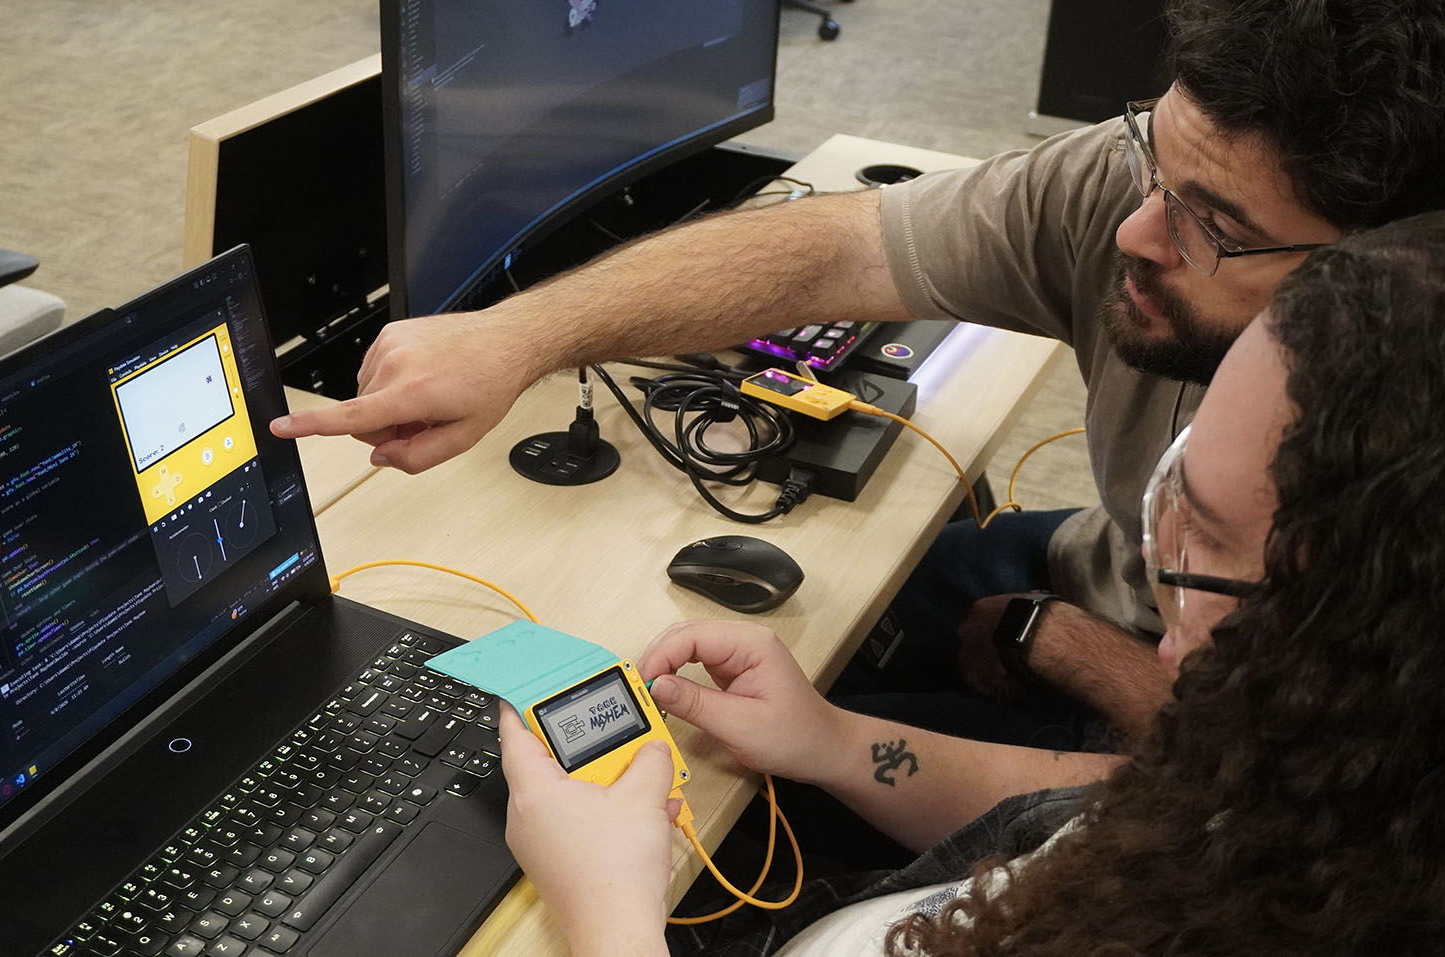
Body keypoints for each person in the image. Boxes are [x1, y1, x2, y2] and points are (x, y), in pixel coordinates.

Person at [273, 1, 1445, 742]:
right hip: (1110, 577)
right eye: (1152, 162)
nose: (1136, 232)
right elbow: (839, 244)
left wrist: (1053, 646)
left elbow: (1322, 814)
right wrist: (516, 337)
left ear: (1394, 275)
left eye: (1211, 225)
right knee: (785, 628)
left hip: (1225, 745)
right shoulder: (1147, 192)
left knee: (749, 776)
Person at [494, 211, 1445, 956]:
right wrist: (832, 741)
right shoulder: (1303, 799)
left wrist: (612, 920)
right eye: (1174, 488)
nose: (1158, 584)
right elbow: (1091, 804)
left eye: (1207, 548)